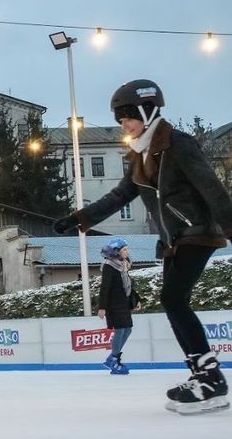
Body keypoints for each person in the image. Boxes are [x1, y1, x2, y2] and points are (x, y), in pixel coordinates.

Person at [53, 79, 232, 413]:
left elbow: (212, 188)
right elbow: (120, 195)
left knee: (173, 299)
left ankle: (210, 378)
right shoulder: (140, 155)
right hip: (172, 241)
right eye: (121, 120)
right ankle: (202, 374)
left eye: (127, 118)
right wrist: (80, 219)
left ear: (146, 112)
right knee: (172, 302)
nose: (124, 125)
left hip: (198, 232)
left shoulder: (178, 144)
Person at [98, 238, 143, 375]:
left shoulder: (123, 265)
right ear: (116, 252)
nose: (127, 252)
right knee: (120, 330)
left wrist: (136, 300)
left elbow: (128, 283)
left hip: (124, 302)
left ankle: (112, 357)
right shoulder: (109, 265)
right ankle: (114, 360)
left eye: (127, 249)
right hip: (113, 304)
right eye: (124, 249)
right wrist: (102, 307)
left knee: (128, 329)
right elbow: (105, 287)